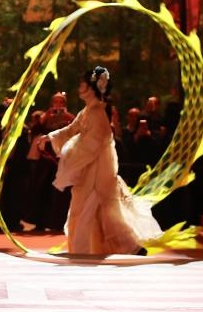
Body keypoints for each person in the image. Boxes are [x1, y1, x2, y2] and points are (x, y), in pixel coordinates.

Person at [32, 66, 162, 255]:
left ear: (91, 88)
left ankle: (95, 249)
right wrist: (49, 137)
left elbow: (91, 144)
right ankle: (116, 248)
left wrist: (69, 155)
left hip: (98, 171)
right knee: (97, 211)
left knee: (94, 210)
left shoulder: (97, 113)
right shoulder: (88, 111)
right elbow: (72, 129)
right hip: (89, 170)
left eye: (82, 84)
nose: (79, 88)